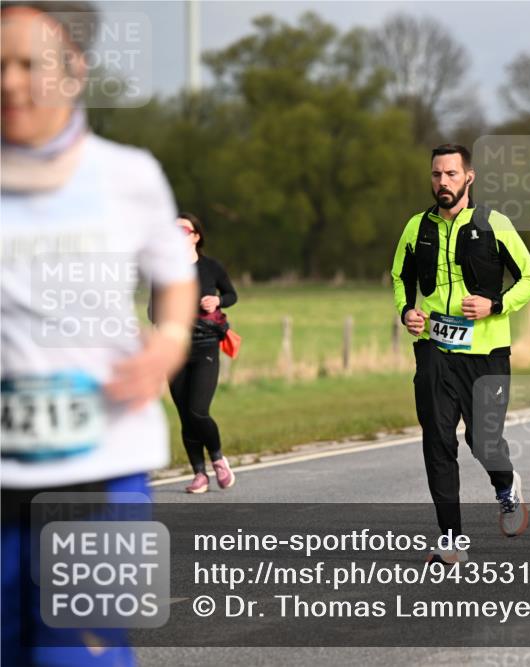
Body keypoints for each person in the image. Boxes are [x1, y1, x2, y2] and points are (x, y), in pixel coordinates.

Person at [1, 2, 197, 664]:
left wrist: (169, 341)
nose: (9, 82)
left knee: (75, 657)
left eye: (28, 64)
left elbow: (175, 276)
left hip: (100, 468)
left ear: (73, 71)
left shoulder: (127, 175)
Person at [391, 144, 530, 564]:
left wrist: (496, 304)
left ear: (469, 177)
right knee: (437, 441)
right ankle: (452, 538)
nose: (443, 182)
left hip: (486, 352)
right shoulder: (417, 226)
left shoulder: (494, 224)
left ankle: (506, 486)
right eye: (437, 174)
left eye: (451, 174)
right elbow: (400, 276)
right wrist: (406, 311)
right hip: (434, 349)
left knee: (483, 440)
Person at [167, 213, 238, 494]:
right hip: (174, 349)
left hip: (206, 345)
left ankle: (218, 459)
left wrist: (217, 300)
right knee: (185, 415)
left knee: (197, 410)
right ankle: (199, 474)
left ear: (196, 236)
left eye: (183, 231)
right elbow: (153, 309)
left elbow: (232, 295)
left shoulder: (211, 267)